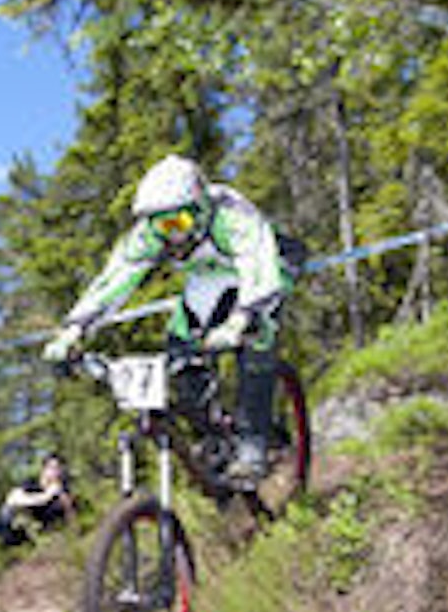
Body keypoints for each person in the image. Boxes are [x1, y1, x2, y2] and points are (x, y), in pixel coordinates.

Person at [43, 154, 294, 479]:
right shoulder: (150, 234)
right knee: (180, 354)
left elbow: (259, 268)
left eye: (179, 223)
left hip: (265, 267)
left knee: (258, 336)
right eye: (163, 225)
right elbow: (115, 279)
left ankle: (253, 441)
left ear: (199, 208)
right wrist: (75, 329)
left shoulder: (231, 215)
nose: (173, 236)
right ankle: (214, 435)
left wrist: (241, 320)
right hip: (208, 279)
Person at [0, 453, 77, 547]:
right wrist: (45, 496)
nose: (55, 472)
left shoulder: (61, 489)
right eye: (51, 468)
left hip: (43, 527)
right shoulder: (31, 484)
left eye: (58, 469)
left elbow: (69, 509)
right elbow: (14, 498)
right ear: (43, 469)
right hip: (24, 523)